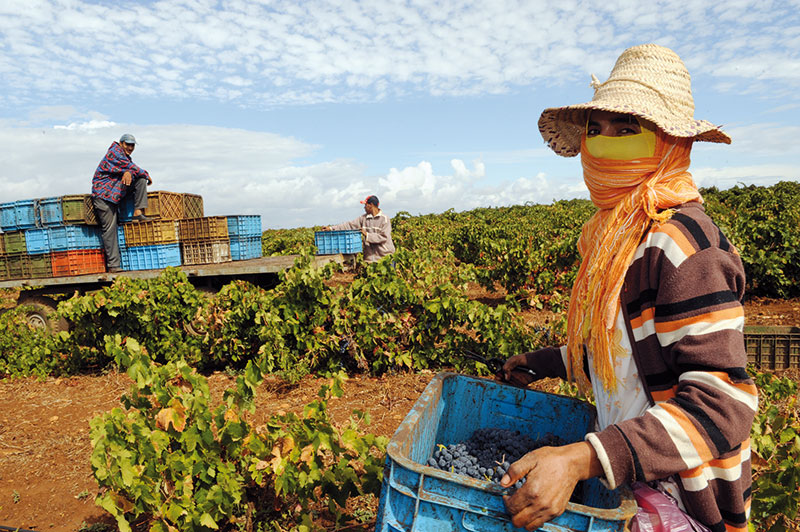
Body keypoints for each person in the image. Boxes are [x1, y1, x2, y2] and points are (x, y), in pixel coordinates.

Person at [496, 44, 757, 532]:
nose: (605, 143)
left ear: (670, 144)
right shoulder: (618, 236)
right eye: (597, 130)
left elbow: (723, 408)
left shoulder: (681, 245)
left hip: (680, 499)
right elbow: (630, 351)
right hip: (632, 484)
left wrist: (582, 458)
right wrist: (549, 361)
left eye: (626, 130)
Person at [91, 133, 152, 273]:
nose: (130, 147)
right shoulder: (115, 153)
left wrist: (129, 172)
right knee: (110, 230)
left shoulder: (124, 157)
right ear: (121, 143)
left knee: (140, 180)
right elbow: (135, 168)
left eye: (132, 145)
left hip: (114, 194)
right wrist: (143, 174)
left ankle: (138, 211)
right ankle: (113, 265)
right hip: (104, 197)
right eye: (127, 144)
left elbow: (131, 168)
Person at [324, 195, 395, 262]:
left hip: (385, 257)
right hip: (369, 259)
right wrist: (331, 228)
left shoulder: (385, 219)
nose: (364, 207)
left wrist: (367, 235)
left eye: (365, 205)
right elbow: (349, 225)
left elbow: (383, 237)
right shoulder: (363, 218)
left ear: (371, 205)